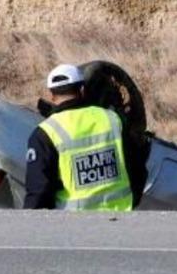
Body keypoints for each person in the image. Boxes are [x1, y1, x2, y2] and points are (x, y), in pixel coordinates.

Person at [23, 64, 133, 211]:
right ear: (82, 90)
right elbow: (136, 165)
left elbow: (38, 191)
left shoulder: (45, 133)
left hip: (74, 227)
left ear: (52, 96)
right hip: (123, 217)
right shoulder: (112, 119)